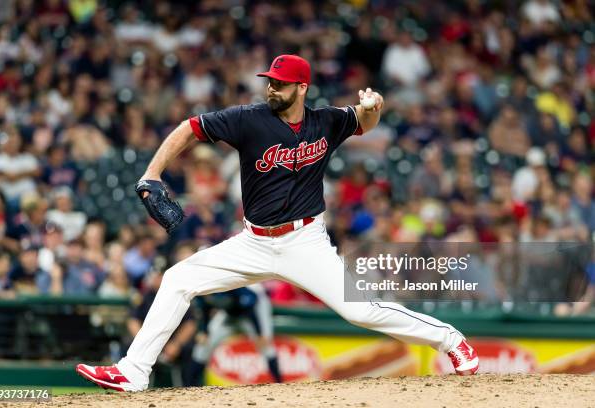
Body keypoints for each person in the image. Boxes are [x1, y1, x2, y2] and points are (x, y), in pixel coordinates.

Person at [76, 54, 479, 391]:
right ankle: (133, 371)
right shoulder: (249, 119)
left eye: (281, 83)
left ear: (302, 87)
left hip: (305, 241)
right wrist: (152, 173)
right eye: (270, 81)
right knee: (178, 279)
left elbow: (361, 121)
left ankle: (451, 340)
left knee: (362, 311)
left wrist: (373, 109)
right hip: (253, 242)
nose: (272, 88)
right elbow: (190, 127)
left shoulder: (325, 121)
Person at [185, 284, 282, 386]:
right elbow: (205, 309)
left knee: (265, 344)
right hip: (229, 313)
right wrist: (204, 331)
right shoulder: (202, 289)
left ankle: (280, 385)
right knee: (203, 345)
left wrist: (259, 333)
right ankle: (189, 387)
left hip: (254, 308)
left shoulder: (229, 284)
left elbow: (250, 303)